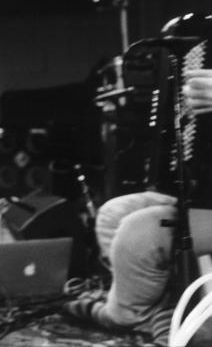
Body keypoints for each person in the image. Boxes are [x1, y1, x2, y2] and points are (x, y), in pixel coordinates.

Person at [63, 67, 212, 346]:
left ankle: (127, 315)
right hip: (205, 195)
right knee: (113, 214)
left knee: (141, 231)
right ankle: (155, 312)